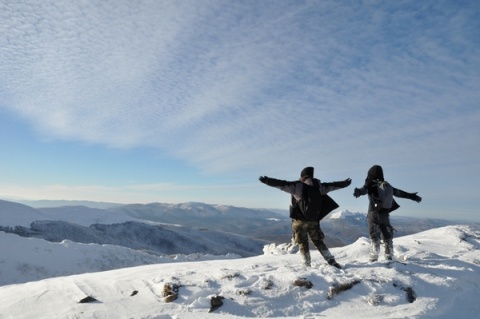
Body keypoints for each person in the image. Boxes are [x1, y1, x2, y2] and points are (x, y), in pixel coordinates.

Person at [259, 166, 351, 269]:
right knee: (318, 242)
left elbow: (282, 184)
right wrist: (345, 183)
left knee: (303, 243)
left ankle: (306, 265)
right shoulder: (319, 187)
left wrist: (267, 181)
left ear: (302, 176)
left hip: (299, 220)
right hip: (314, 220)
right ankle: (331, 261)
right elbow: (333, 186)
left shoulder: (297, 186)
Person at [353, 165, 422, 262]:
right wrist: (412, 196)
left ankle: (374, 257)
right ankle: (389, 255)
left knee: (374, 234)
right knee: (387, 234)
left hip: (374, 212)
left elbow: (364, 189)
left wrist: (358, 192)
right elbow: (399, 193)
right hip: (385, 213)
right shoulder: (386, 185)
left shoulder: (370, 183)